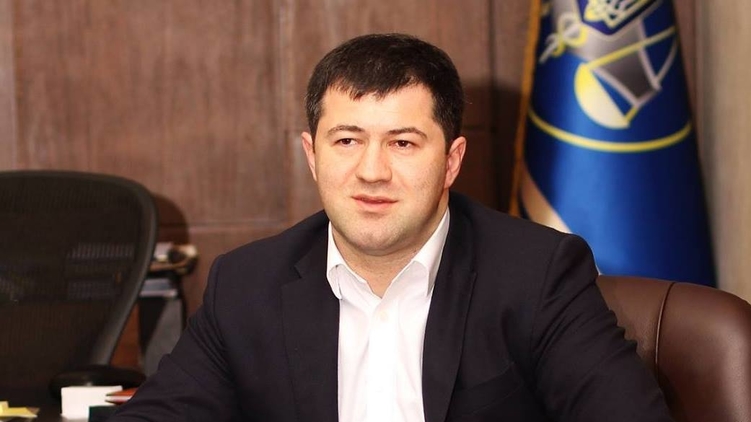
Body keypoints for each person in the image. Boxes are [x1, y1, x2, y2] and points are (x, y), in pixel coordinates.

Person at [110, 33, 673, 422]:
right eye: (347, 140)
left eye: (402, 143)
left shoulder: (536, 274)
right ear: (312, 156)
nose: (372, 171)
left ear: (451, 161)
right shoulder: (248, 284)